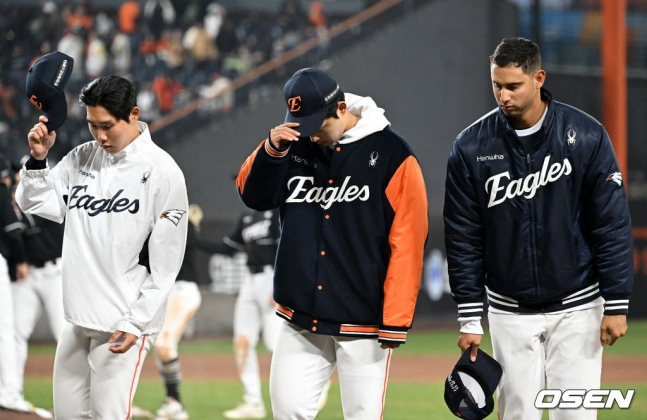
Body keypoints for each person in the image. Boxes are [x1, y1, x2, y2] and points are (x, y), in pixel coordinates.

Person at [443, 37, 633, 420]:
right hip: (509, 309)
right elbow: (463, 235)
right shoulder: (470, 147)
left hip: (579, 306)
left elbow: (611, 223)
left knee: (576, 416)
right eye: (497, 85)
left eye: (513, 86)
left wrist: (616, 302)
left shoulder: (587, 136)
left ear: (538, 78)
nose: (503, 95)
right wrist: (468, 316)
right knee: (517, 415)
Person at [236, 68, 428, 419]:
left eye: (317, 126)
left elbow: (408, 240)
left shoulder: (393, 154)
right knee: (287, 411)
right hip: (301, 317)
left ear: (341, 108)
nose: (311, 136)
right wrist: (271, 150)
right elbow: (252, 194)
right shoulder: (292, 146)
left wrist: (396, 319)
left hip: (363, 319)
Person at [16, 74, 189, 419]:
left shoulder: (163, 172)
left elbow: (166, 264)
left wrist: (136, 323)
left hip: (122, 324)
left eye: (108, 126)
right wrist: (38, 160)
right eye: (93, 126)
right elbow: (36, 203)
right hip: (78, 320)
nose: (101, 136)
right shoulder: (83, 157)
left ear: (134, 114)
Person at [197, 207, 284, 419]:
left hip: (272, 278)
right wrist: (192, 238)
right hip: (251, 279)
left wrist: (281, 283)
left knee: (277, 344)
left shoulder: (280, 210)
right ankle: (253, 402)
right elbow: (227, 248)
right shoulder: (247, 217)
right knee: (242, 341)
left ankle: (299, 393)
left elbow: (290, 247)